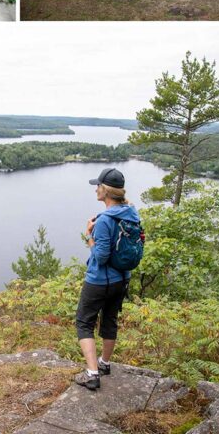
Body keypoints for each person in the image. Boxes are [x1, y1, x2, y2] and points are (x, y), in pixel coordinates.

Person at [74, 167, 142, 391]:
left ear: (105, 190)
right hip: (122, 279)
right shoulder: (131, 213)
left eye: (98, 186)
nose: (95, 189)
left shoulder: (104, 220)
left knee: (84, 322)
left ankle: (92, 374)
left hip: (99, 281)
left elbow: (101, 256)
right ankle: (104, 363)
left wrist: (89, 236)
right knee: (110, 320)